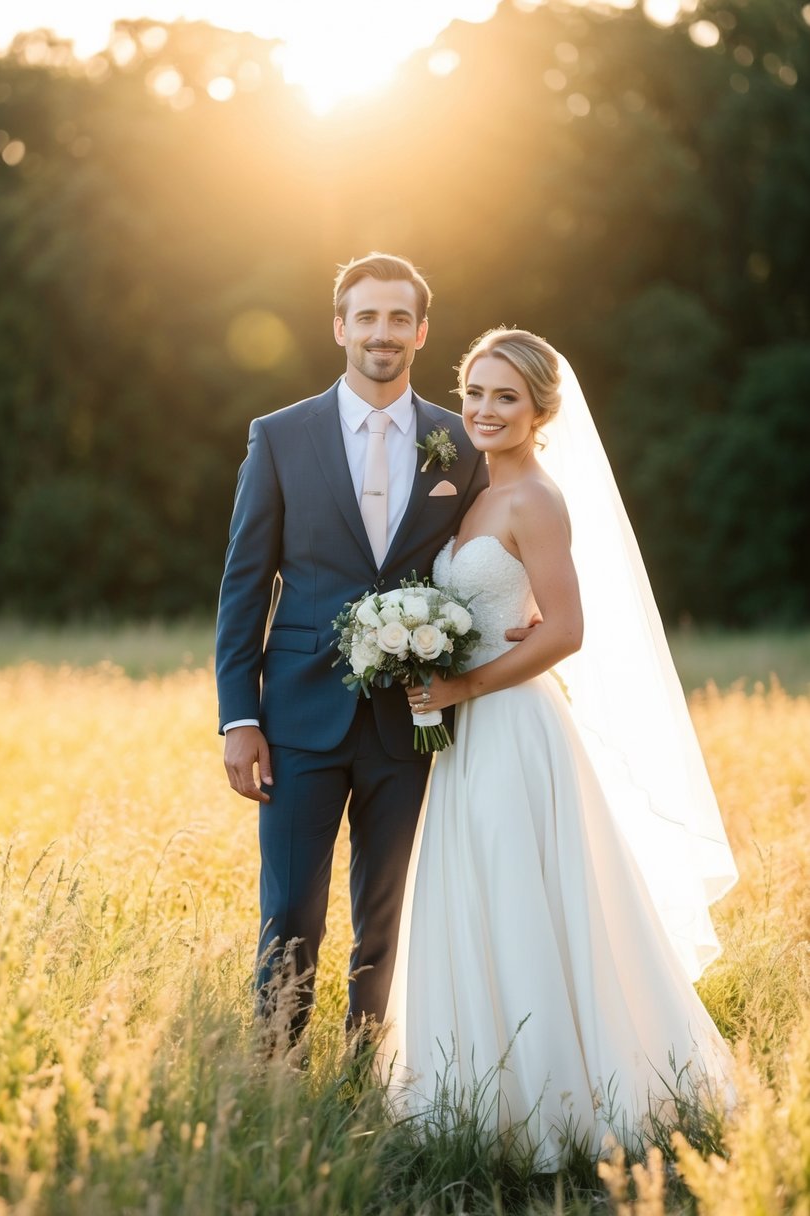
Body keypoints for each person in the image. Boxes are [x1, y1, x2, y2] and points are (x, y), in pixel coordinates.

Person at [384, 328, 737, 1163]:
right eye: (473, 392)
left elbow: (569, 628)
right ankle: (474, 1098)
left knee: (519, 900)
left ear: (541, 409)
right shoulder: (468, 487)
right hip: (469, 735)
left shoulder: (533, 499)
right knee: (475, 895)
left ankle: (555, 1118)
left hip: (511, 727)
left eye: (505, 397)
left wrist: (465, 684)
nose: (482, 410)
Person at [215, 253, 497, 1037]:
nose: (383, 332)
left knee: (390, 911)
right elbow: (245, 584)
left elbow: (484, 561)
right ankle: (277, 1075)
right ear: (340, 327)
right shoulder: (278, 436)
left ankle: (368, 1069)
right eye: (366, 317)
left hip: (411, 721)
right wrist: (238, 718)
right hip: (297, 718)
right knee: (291, 909)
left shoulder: (458, 440)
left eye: (398, 318)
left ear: (420, 331)